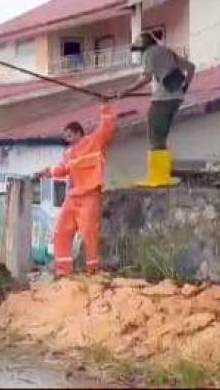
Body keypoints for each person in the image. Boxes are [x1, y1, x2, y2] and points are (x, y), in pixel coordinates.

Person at [35, 103, 118, 277]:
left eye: (70, 135)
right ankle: (63, 270)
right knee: (61, 231)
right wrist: (47, 172)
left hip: (89, 195)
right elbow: (62, 169)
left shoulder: (93, 142)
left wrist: (105, 107)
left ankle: (92, 270)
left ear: (79, 133)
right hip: (73, 196)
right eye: (66, 137)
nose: (68, 139)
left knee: (89, 234)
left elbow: (107, 128)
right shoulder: (69, 153)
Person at [116, 32, 196, 187]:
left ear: (144, 47)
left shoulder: (149, 53)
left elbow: (146, 78)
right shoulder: (167, 51)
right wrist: (185, 86)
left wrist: (125, 91)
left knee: (155, 137)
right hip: (176, 99)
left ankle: (158, 177)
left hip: (162, 99)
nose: (140, 54)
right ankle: (163, 175)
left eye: (139, 50)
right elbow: (191, 68)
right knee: (161, 137)